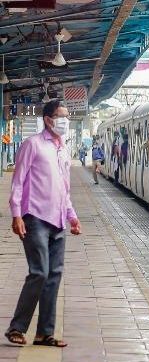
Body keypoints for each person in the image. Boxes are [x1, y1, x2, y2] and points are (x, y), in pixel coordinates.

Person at [5, 100, 81, 347]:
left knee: (54, 275)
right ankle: (16, 328)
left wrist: (72, 216)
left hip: (58, 220)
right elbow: (17, 182)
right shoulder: (32, 145)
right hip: (35, 217)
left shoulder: (63, 150)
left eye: (67, 117)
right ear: (48, 119)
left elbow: (64, 188)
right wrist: (16, 214)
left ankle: (44, 333)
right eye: (61, 116)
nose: (65, 121)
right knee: (40, 272)